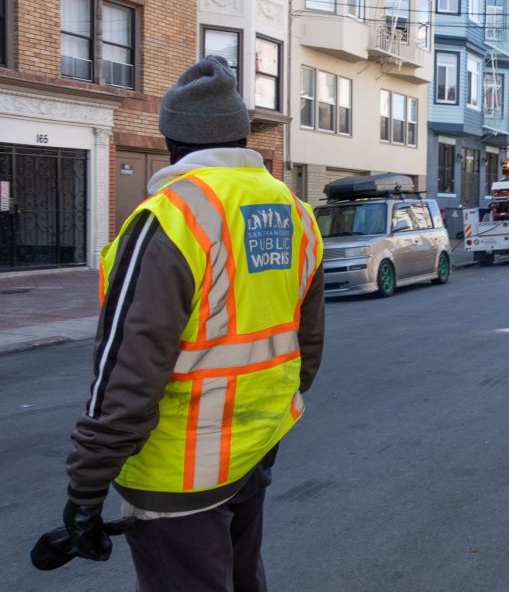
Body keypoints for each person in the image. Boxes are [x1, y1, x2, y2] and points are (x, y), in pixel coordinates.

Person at [59, 55, 325, 591]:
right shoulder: (294, 211)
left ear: (172, 141)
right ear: (242, 136)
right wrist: (264, 434)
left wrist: (85, 494)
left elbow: (126, 373)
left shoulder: (169, 218)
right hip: (251, 455)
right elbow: (307, 347)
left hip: (176, 476)